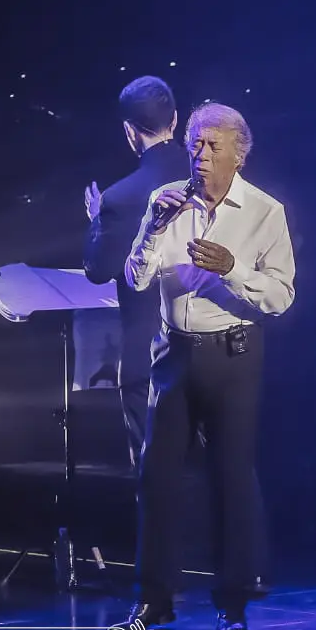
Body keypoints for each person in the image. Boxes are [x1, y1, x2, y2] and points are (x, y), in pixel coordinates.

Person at [119, 102, 296, 630]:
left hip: (232, 354)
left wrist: (233, 269)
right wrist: (152, 229)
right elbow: (135, 278)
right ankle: (154, 600)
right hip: (173, 353)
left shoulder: (265, 211)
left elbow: (282, 296)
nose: (199, 154)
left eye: (212, 145)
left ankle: (233, 602)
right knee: (157, 477)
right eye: (194, 143)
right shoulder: (166, 200)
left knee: (230, 477)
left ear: (238, 155)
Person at [83, 76, 190, 469]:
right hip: (207, 355)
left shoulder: (118, 197)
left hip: (146, 357)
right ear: (175, 120)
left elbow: (98, 270)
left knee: (154, 478)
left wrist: (97, 220)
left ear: (130, 132)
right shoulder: (210, 182)